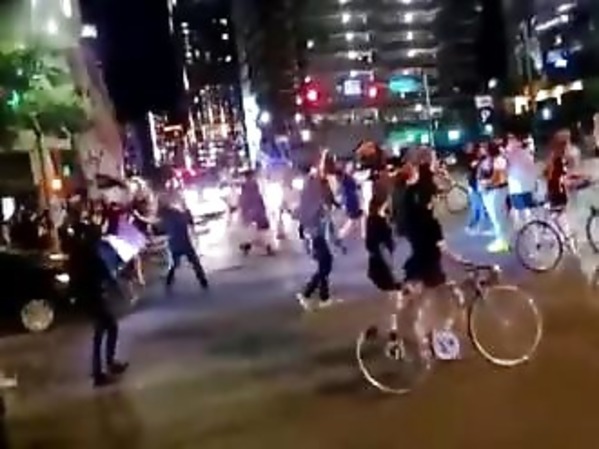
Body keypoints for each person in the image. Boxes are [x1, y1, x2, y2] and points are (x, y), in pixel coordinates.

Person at [68, 211, 128, 387]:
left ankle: (106, 365)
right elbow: (105, 274)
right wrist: (117, 288)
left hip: (86, 296)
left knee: (103, 330)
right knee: (107, 328)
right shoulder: (90, 253)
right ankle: (101, 370)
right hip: (92, 295)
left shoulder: (77, 252)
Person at [296, 164, 338, 310]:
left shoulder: (311, 190)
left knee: (324, 264)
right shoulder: (311, 192)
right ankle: (307, 294)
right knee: (326, 263)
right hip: (315, 234)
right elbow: (312, 213)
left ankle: (324, 297)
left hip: (315, 232)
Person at [160, 199, 209, 292]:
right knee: (195, 262)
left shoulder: (167, 217)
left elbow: (161, 229)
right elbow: (191, 224)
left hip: (174, 244)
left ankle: (168, 281)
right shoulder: (183, 214)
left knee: (174, 264)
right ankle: (203, 280)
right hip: (185, 243)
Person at [479, 141, 510, 253]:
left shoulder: (498, 160)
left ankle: (502, 242)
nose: (481, 150)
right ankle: (502, 239)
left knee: (497, 217)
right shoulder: (491, 160)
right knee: (498, 217)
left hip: (495, 191)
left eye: (484, 148)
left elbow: (498, 178)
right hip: (494, 191)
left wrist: (486, 184)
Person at [366, 193, 398, 292]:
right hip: (381, 249)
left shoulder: (371, 219)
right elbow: (385, 237)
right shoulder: (378, 220)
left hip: (376, 251)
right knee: (386, 263)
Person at [238, 170, 274, 256]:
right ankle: (265, 246)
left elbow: (244, 201)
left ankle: (248, 245)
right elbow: (258, 199)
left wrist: (243, 212)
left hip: (251, 212)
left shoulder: (245, 188)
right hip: (257, 212)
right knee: (259, 231)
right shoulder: (254, 186)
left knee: (252, 231)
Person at [505, 135, 538, 230]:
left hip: (518, 187)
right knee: (526, 210)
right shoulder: (526, 153)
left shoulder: (513, 154)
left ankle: (525, 230)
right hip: (524, 186)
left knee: (521, 210)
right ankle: (531, 229)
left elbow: (506, 168)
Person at [465, 142, 492, 234]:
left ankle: (479, 226)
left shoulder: (484, 159)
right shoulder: (473, 158)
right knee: (477, 207)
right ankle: (475, 225)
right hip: (474, 186)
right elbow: (471, 168)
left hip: (479, 186)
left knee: (480, 207)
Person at [338, 162, 364, 241]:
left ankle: (341, 235)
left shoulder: (348, 178)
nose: (352, 169)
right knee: (352, 220)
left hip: (352, 201)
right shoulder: (346, 178)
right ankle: (341, 235)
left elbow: (354, 187)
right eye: (350, 168)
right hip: (351, 202)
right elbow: (345, 190)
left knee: (353, 219)